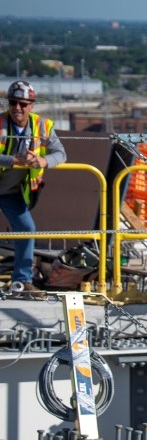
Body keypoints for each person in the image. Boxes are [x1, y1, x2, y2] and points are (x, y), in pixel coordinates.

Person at [0, 81, 66, 294]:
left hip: (10, 193)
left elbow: (61, 154)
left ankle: (22, 282)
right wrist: (12, 161)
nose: (17, 108)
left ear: (31, 106)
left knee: (27, 229)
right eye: (13, 102)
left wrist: (42, 161)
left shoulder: (42, 126)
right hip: (6, 185)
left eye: (22, 104)